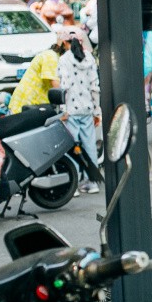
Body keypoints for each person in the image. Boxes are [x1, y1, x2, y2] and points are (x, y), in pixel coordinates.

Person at [57, 28, 101, 194]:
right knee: (89, 145)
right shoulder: (89, 58)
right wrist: (97, 111)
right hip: (87, 108)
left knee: (72, 147)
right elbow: (95, 87)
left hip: (72, 110)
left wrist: (63, 110)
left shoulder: (64, 60)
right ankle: (93, 182)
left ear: (66, 42)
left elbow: (65, 86)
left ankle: (73, 185)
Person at [9, 34, 66, 114]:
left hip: (37, 106)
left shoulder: (56, 57)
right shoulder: (51, 57)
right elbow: (56, 85)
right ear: (65, 44)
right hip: (29, 105)